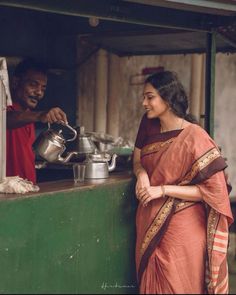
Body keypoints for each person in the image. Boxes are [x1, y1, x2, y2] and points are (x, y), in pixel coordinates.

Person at [133, 70, 234, 294]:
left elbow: (213, 192)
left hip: (182, 226)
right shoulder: (148, 125)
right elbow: (137, 160)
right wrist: (141, 174)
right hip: (148, 219)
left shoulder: (195, 136)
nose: (144, 103)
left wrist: (162, 189)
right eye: (144, 97)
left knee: (178, 284)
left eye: (150, 97)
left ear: (167, 99)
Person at [6, 58, 68, 184]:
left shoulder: (29, 117)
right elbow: (5, 119)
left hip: (27, 192)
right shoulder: (7, 111)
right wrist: (40, 115)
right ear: (15, 82)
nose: (39, 92)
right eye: (33, 85)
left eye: (43, 88)